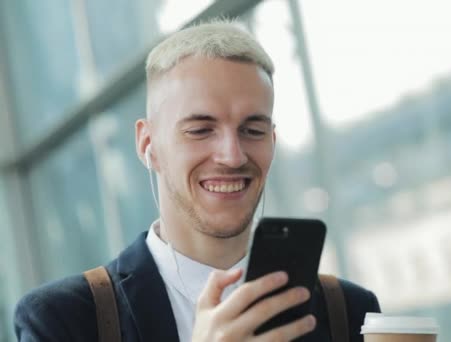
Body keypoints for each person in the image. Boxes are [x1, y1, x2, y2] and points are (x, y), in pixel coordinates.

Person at [14, 20, 380, 342]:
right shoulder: (63, 320)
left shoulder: (349, 310)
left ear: (272, 142)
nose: (232, 155)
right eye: (201, 129)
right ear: (148, 144)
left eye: (252, 130)